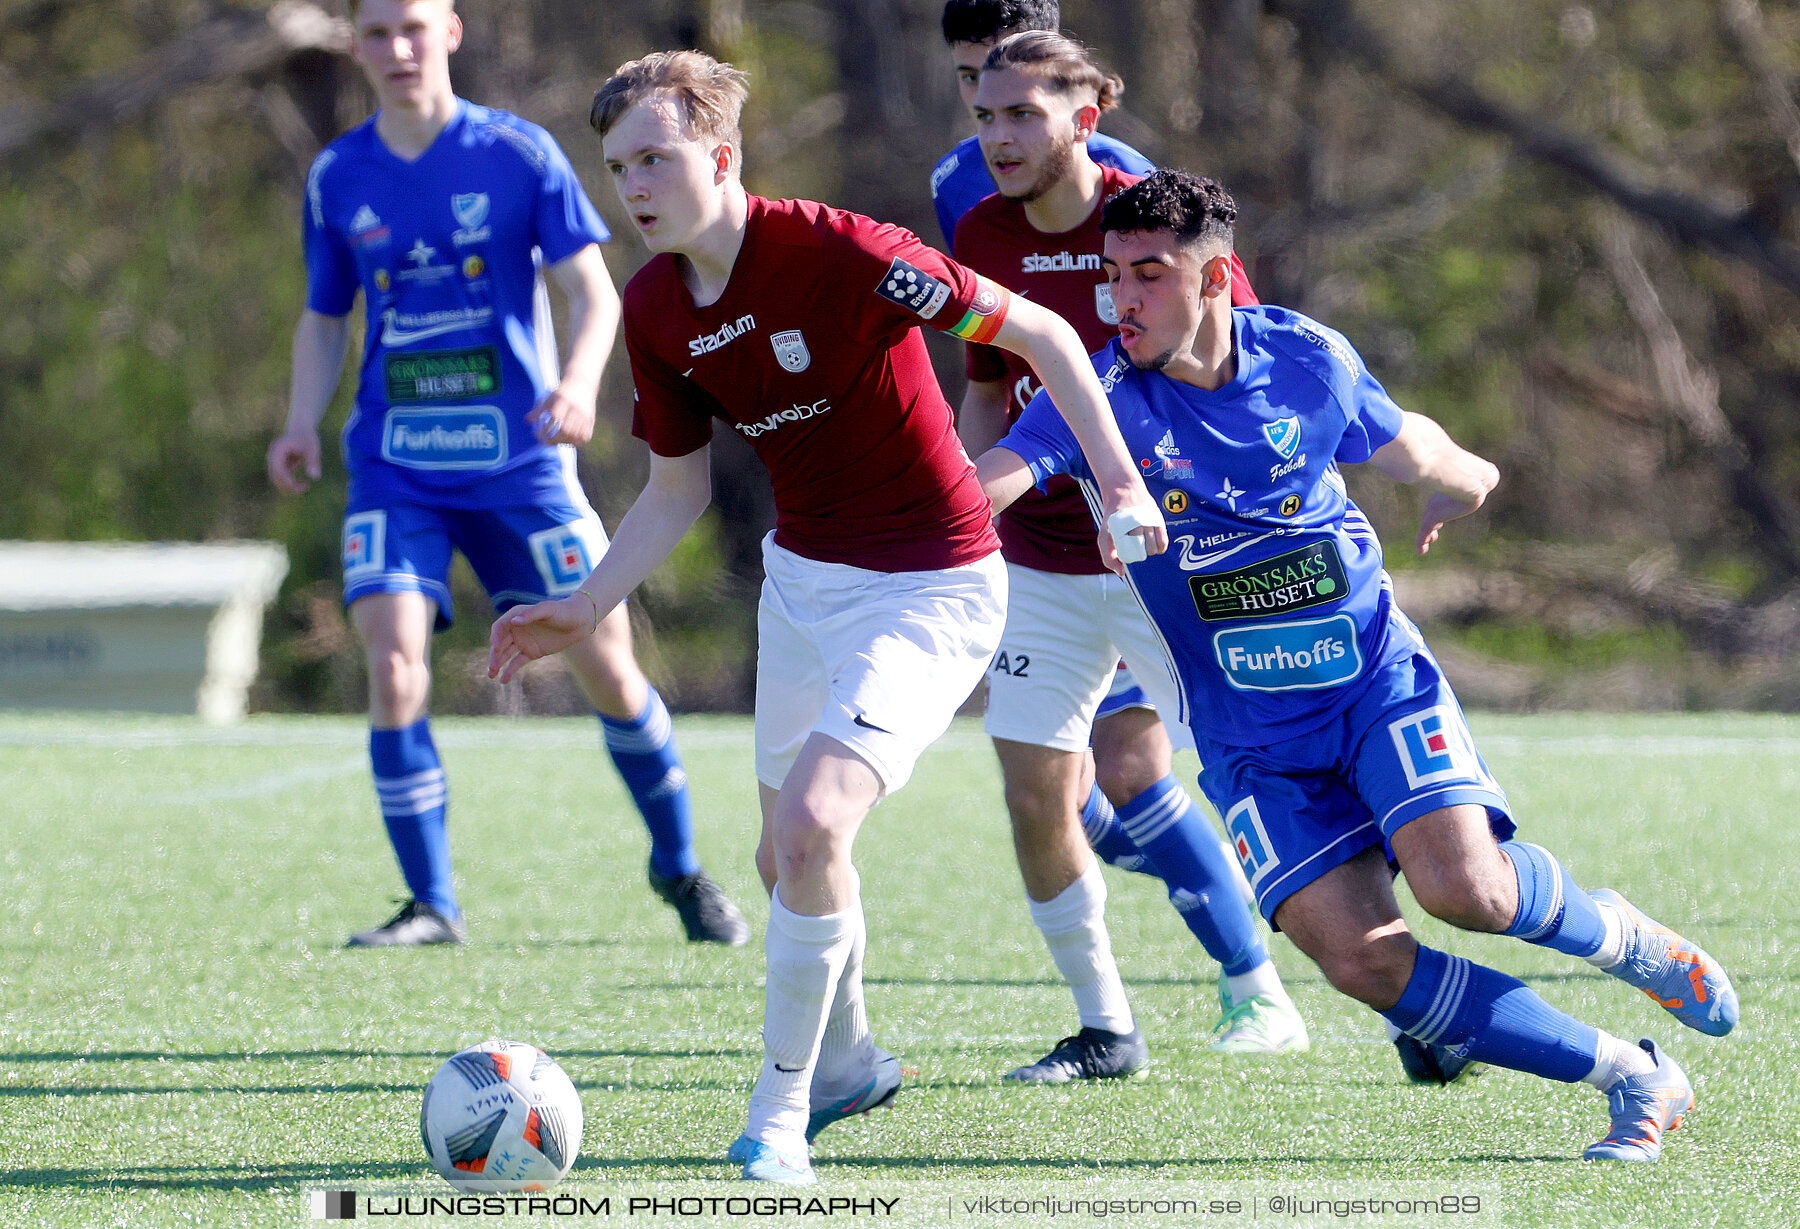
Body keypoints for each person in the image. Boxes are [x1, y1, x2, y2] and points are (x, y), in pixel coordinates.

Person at [487, 51, 1166, 1184]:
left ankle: (779, 1114)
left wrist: (1121, 482)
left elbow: (1041, 335)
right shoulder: (655, 306)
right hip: (802, 584)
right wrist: (583, 603)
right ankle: (848, 1060)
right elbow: (675, 490)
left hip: (937, 582)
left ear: (721, 154)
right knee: (779, 854)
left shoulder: (847, 251)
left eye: (656, 157)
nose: (637, 185)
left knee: (811, 826)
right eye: (618, 167)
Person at [978, 170, 1739, 1163]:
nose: (1121, 298)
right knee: (1358, 958)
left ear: (1218, 279)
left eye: (1149, 274)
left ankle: (1624, 937)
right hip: (1251, 737)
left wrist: (1464, 480)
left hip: (1373, 681)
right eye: (1113, 275)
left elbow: (1409, 440)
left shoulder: (1304, 358)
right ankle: (1633, 1074)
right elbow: (982, 484)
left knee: (1470, 891)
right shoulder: (1098, 395)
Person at [269, 0, 748, 948]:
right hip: (395, 466)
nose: (397, 49)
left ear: (448, 31)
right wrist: (297, 421)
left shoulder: (518, 153)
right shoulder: (340, 173)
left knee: (607, 667)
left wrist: (575, 385)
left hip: (520, 464)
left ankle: (683, 868)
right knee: (394, 666)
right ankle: (432, 903)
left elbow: (589, 289)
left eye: (413, 27)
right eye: (376, 33)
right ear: (355, 46)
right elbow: (326, 315)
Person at [954, 31, 1306, 1072]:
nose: (999, 134)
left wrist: (1175, 510)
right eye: (984, 112)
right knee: (1038, 791)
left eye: (1023, 113)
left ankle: (1270, 983)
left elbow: (1229, 373)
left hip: (1159, 562)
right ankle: (1106, 1025)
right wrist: (967, 523)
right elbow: (986, 388)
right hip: (1038, 562)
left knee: (1218, 764)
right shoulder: (977, 228)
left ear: (1086, 119)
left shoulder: (1148, 222)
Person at [933, 0, 1153, 249]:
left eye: (1008, 72)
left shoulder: (1131, 174)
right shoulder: (954, 182)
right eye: (971, 77)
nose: (987, 92)